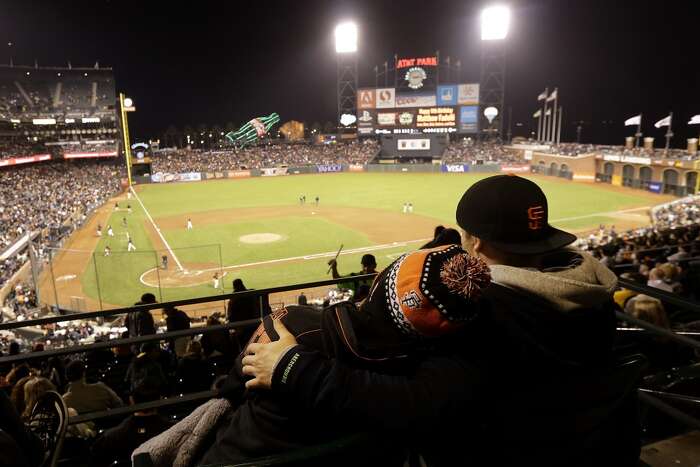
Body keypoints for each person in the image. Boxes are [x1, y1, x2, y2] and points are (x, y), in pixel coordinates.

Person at [243, 175, 641, 466]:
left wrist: (293, 368)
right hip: (586, 442)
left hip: (509, 449)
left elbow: (419, 404)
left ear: (475, 243)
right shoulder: (592, 292)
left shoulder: (483, 313)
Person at [139, 245, 491, 466]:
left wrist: (291, 366)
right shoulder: (434, 368)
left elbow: (234, 387)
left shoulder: (295, 326)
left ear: (382, 282)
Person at [227, 279, 260, 344]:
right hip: (253, 323)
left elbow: (230, 315)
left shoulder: (233, 299)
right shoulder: (251, 294)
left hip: (240, 327)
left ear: (234, 287)